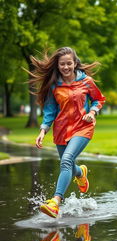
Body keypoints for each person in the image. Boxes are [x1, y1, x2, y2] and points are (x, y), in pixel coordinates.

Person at [26, 47, 105, 218]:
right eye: (62, 64)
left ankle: (55, 202)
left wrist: (92, 112)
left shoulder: (86, 81)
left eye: (69, 63)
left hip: (83, 127)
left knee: (66, 160)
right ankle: (80, 173)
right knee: (67, 164)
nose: (66, 67)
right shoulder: (54, 86)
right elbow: (49, 111)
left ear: (75, 63)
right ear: (58, 65)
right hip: (61, 130)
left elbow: (99, 99)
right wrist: (42, 131)